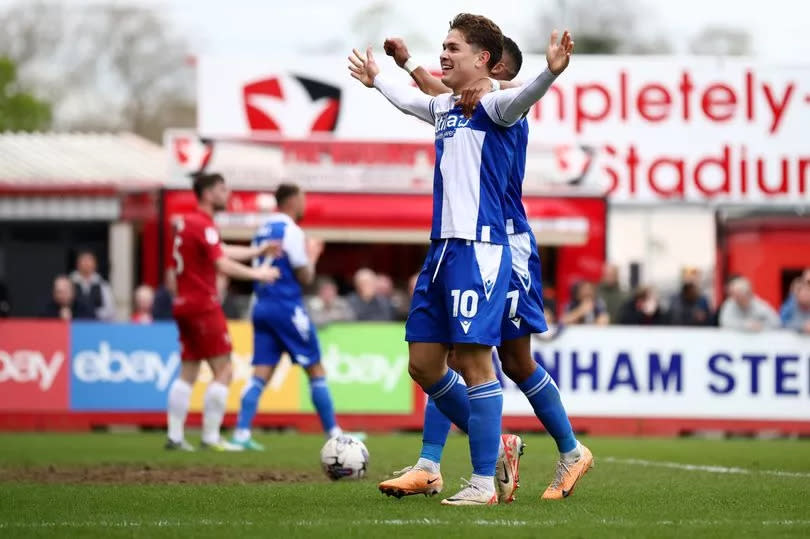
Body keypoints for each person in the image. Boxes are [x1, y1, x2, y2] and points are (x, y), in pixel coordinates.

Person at [349, 14, 574, 505]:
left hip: (484, 248)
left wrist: (550, 73)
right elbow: (416, 98)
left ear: (484, 60)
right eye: (443, 46)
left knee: (482, 360)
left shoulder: (495, 105)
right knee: (425, 365)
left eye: (453, 47)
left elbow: (519, 96)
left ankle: (480, 481)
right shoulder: (448, 106)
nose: (444, 54)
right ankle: (494, 447)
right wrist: (380, 78)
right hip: (442, 248)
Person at [165, 172, 280, 452]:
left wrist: (257, 251)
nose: (226, 194)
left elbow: (220, 250)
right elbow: (222, 264)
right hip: (204, 303)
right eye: (221, 189)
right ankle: (211, 437)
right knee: (224, 369)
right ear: (207, 193)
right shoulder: (203, 223)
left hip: (183, 304)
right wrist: (259, 272)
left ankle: (175, 437)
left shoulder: (189, 223)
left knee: (189, 371)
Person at [231, 183, 343, 450]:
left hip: (261, 306)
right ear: (292, 201)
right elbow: (305, 276)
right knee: (315, 368)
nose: (304, 205)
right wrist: (313, 254)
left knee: (260, 374)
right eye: (303, 199)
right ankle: (334, 433)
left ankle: (241, 434)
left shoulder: (263, 229)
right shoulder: (291, 231)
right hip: (286, 306)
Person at [70, 250, 115, 321]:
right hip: (74, 324)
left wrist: (93, 313)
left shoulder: (102, 285)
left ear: (95, 264)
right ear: (77, 264)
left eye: (89, 261)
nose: (86, 263)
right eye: (84, 261)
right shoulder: (70, 283)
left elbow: (110, 310)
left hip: (96, 325)